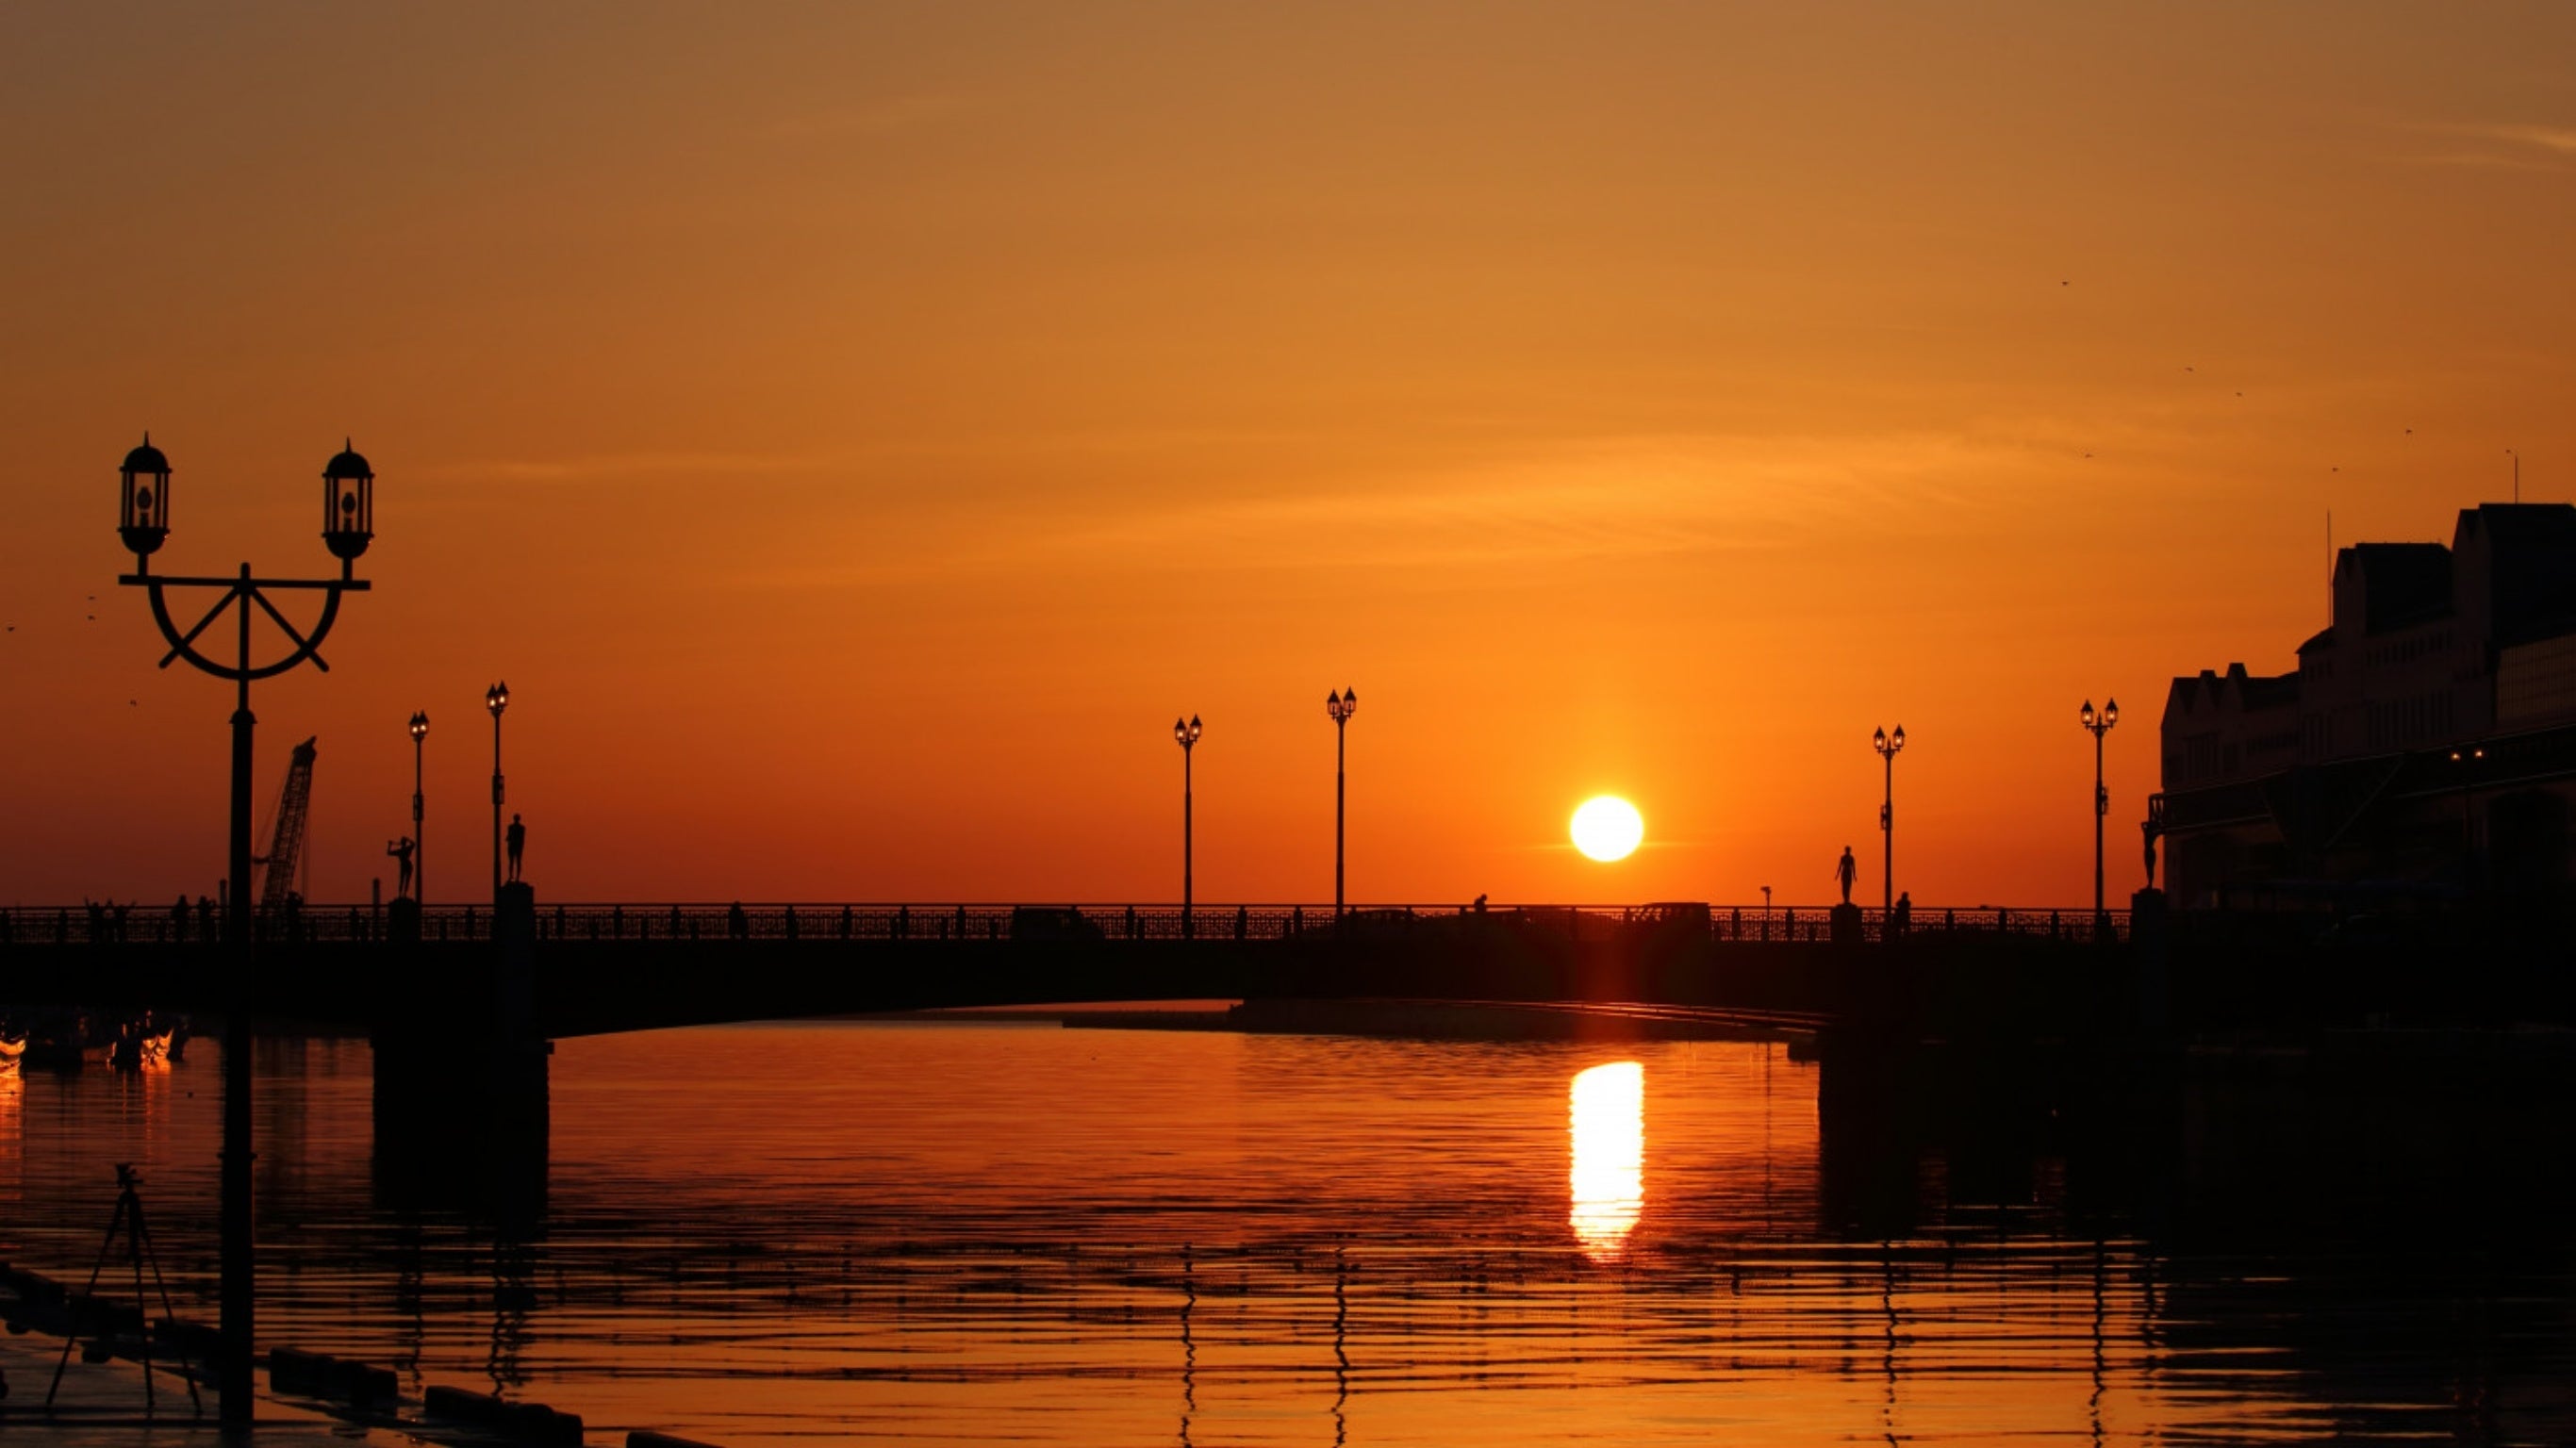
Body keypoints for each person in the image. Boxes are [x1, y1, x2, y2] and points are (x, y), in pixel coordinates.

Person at [387, 835, 416, 900]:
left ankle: (404, 894)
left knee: (406, 880)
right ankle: (401, 895)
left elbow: (414, 844)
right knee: (402, 880)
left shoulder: (405, 849)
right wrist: (389, 845)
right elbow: (388, 853)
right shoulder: (403, 850)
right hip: (404, 866)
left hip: (407, 865)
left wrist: (389, 845)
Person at [505, 814, 526, 883]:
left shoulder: (518, 827)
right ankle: (513, 876)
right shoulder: (513, 827)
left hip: (515, 846)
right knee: (514, 862)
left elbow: (522, 838)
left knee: (515, 862)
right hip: (514, 846)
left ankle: (515, 877)